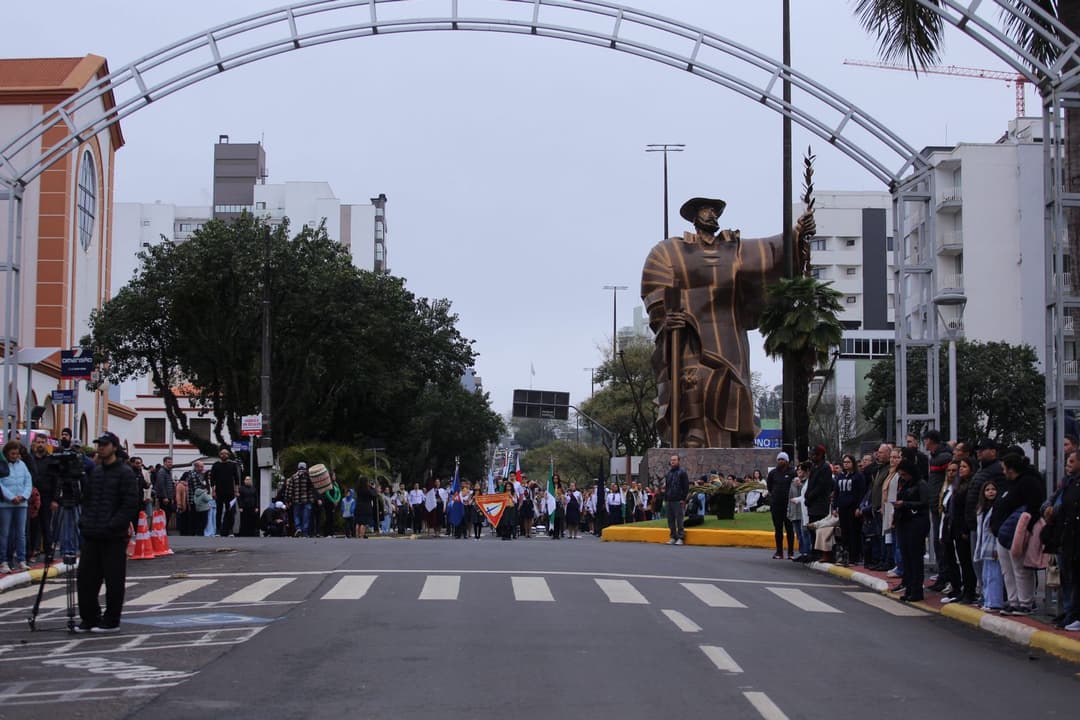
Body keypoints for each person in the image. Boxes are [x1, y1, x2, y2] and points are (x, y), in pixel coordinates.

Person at [640, 196, 815, 447]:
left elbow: (770, 252)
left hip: (729, 332)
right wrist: (665, 317)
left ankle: (737, 438)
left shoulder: (734, 248)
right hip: (691, 331)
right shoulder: (672, 250)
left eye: (715, 211)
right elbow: (654, 283)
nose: (712, 214)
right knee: (694, 378)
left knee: (734, 384)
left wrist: (797, 233)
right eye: (706, 210)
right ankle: (695, 431)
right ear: (694, 217)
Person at [75, 432, 139, 633]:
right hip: (92, 534)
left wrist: (113, 525)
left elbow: (130, 504)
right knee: (85, 579)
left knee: (114, 580)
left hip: (113, 537)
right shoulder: (95, 472)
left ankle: (111, 620)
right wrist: (84, 522)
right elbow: (87, 500)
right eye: (99, 444)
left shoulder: (125, 473)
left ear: (114, 447)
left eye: (104, 444)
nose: (101, 448)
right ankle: (89, 618)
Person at [991, 453, 1046, 615]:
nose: (1003, 472)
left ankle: (1025, 602)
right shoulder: (1010, 483)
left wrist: (1025, 529)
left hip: (1019, 531)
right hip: (1004, 532)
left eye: (1004, 468)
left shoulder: (1029, 482)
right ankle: (1013, 600)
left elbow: (1033, 507)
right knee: (1007, 570)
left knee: (1020, 569)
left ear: (1011, 469)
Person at [892, 459, 930, 602]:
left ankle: (916, 590)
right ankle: (909, 588)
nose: (903, 477)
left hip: (916, 523)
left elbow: (924, 503)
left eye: (905, 474)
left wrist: (906, 504)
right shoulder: (905, 485)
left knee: (915, 558)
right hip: (904, 522)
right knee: (906, 557)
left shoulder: (921, 484)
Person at [0, 440, 33, 573]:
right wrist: (11, 497)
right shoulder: (2, 465)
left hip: (21, 504)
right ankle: (3, 561)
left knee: (21, 533)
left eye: (16, 454)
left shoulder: (22, 465)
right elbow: (0, 484)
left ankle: (21, 560)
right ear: (7, 453)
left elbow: (28, 481)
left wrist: (23, 496)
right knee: (4, 533)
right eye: (12, 454)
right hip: (5, 504)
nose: (15, 456)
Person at [974, 480, 1005, 613]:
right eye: (987, 490)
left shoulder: (998, 507)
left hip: (994, 544)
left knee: (994, 574)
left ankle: (994, 602)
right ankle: (987, 600)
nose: (991, 492)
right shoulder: (981, 509)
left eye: (993, 489)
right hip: (985, 544)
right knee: (986, 574)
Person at [835, 454, 866, 566]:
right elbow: (836, 492)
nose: (846, 464)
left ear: (853, 463)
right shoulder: (840, 476)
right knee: (844, 532)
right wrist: (835, 507)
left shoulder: (858, 476)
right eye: (844, 462)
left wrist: (859, 507)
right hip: (842, 507)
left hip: (853, 508)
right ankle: (844, 556)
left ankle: (854, 557)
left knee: (854, 532)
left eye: (848, 462)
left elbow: (861, 492)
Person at [767, 451, 795, 559]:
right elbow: (769, 486)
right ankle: (779, 552)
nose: (780, 461)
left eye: (782, 459)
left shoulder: (792, 472)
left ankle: (791, 552)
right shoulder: (773, 473)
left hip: (788, 505)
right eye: (779, 459)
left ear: (787, 461)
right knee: (778, 529)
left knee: (789, 529)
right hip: (776, 505)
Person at [210, 448, 242, 536]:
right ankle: (218, 531)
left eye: (226, 453)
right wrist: (213, 491)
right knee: (219, 511)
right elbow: (212, 479)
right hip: (219, 491)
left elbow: (236, 479)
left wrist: (236, 490)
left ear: (228, 455)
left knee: (230, 511)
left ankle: (230, 531)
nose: (224, 455)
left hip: (230, 492)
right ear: (219, 455)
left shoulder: (232, 465)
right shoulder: (216, 465)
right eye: (222, 453)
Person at [664, 454, 689, 545]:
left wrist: (683, 499)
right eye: (671, 460)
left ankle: (681, 537)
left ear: (678, 461)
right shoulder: (669, 473)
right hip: (669, 500)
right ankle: (673, 537)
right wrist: (666, 498)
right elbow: (667, 487)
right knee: (670, 520)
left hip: (678, 500)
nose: (673, 461)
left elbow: (686, 487)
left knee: (679, 520)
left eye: (674, 460)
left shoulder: (682, 472)